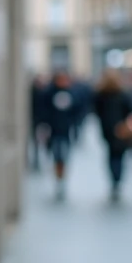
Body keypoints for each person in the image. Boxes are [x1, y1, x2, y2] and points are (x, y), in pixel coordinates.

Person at [92, 70, 132, 202]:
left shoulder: (101, 95)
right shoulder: (122, 95)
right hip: (120, 129)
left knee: (112, 155)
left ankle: (114, 179)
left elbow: (96, 111)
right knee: (119, 156)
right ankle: (117, 179)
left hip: (108, 130)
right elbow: (131, 111)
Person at [40, 70, 81, 201]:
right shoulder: (49, 93)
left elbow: (77, 109)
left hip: (66, 131)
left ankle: (62, 178)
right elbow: (43, 110)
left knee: (65, 156)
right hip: (53, 131)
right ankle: (58, 178)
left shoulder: (72, 93)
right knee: (57, 156)